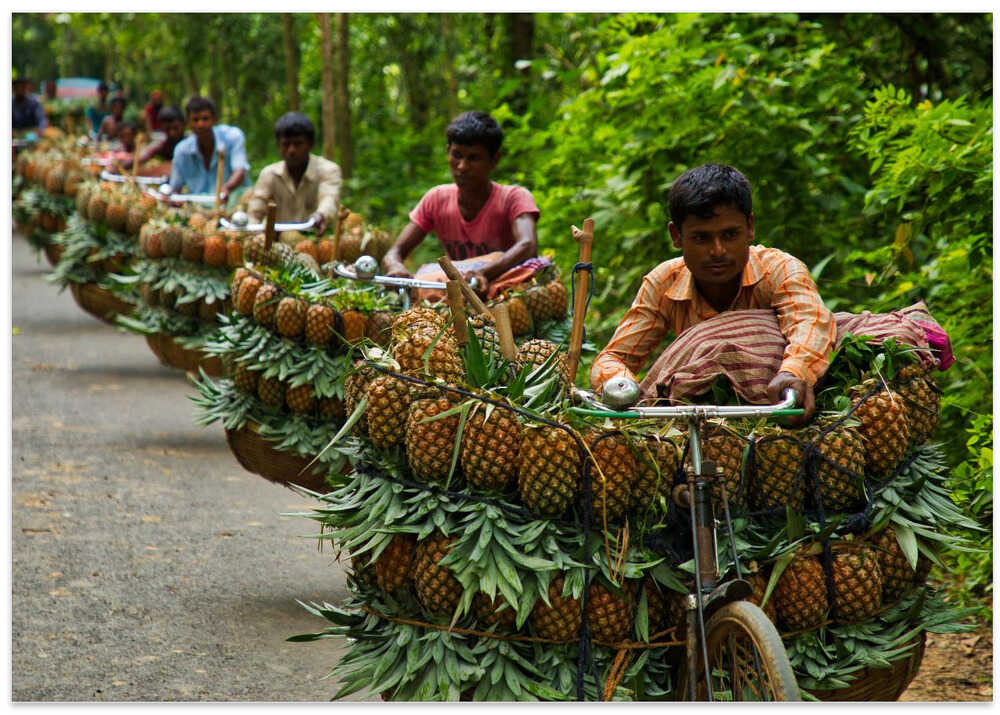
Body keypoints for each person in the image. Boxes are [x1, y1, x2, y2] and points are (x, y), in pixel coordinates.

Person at [590, 163, 836, 422]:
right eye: (701, 238)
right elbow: (614, 357)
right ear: (676, 236)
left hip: (775, 408)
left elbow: (810, 324)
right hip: (699, 419)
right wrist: (622, 387)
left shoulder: (779, 269)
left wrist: (794, 373)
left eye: (730, 234)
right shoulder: (663, 282)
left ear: (750, 227)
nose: (718, 250)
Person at [381, 110, 539, 297]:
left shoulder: (514, 197)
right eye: (457, 155)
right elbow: (395, 251)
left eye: (473, 158)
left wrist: (483, 273)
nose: (462, 166)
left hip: (505, 294)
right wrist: (395, 266)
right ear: (448, 151)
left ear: (494, 160)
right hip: (458, 297)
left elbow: (528, 245)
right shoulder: (436, 199)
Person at [247, 111, 342, 235]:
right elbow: (254, 212)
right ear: (278, 146)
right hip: (278, 246)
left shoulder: (328, 170)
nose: (291, 150)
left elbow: (329, 200)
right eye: (286, 144)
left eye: (298, 143)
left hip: (317, 242)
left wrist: (320, 216)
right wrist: (257, 233)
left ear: (310, 144)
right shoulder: (269, 174)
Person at [168, 96, 250, 203]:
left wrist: (227, 188)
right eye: (195, 120)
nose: (200, 124)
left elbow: (240, 170)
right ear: (188, 123)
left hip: (234, 205)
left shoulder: (233, 137)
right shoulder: (181, 151)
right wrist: (174, 199)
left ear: (214, 120)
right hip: (198, 212)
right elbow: (175, 188)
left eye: (205, 119)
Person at [121, 106, 185, 171]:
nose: (172, 133)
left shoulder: (191, 144)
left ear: (184, 124)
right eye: (168, 129)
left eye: (175, 128)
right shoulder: (163, 144)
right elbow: (140, 158)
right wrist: (119, 167)